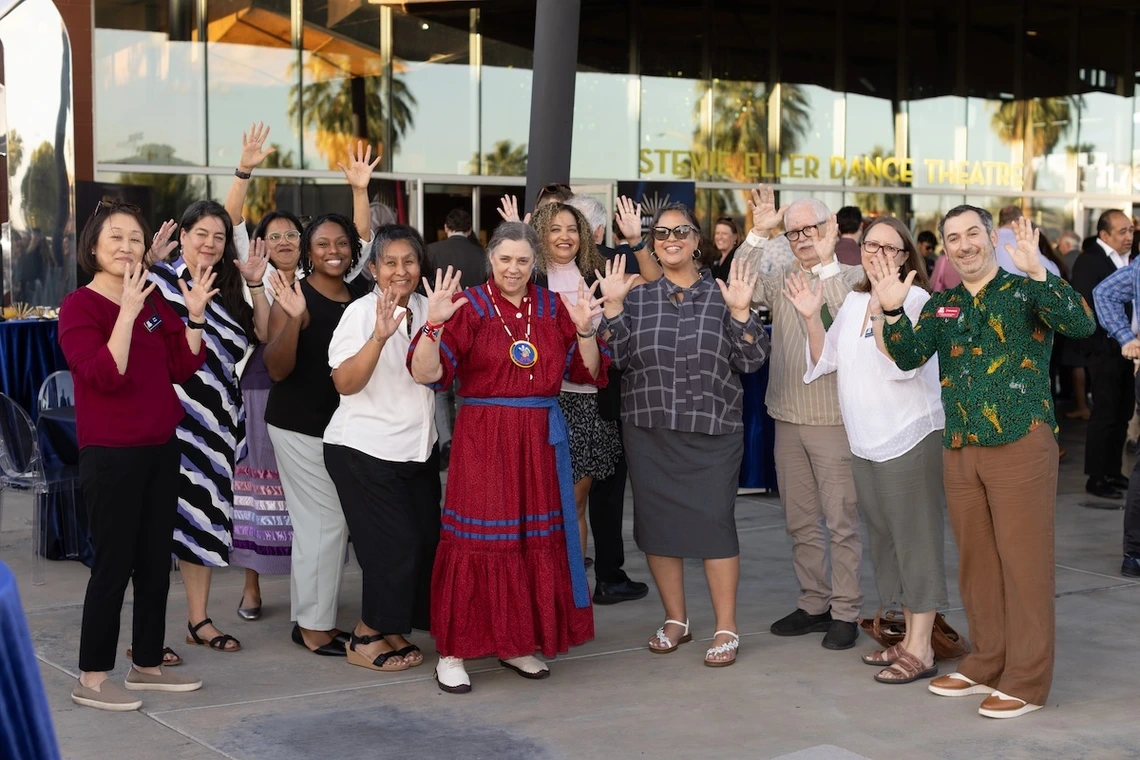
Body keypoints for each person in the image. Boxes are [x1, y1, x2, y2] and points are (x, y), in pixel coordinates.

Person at [879, 208, 1094, 719]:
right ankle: (988, 660)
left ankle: (1027, 679)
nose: (963, 244)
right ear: (946, 248)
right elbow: (909, 356)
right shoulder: (944, 303)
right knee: (977, 565)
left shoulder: (1027, 290)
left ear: (990, 239)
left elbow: (1081, 324)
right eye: (953, 237)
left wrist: (1039, 272)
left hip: (1020, 442)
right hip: (961, 447)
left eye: (972, 233)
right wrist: (891, 312)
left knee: (1024, 566)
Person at [408, 223, 606, 694]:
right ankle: (453, 652)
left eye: (522, 260)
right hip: (484, 440)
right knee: (477, 541)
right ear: (490, 261)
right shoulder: (468, 306)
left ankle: (515, 642)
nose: (513, 268)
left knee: (525, 541)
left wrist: (584, 331)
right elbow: (427, 372)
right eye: (504, 259)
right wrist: (433, 323)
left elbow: (590, 370)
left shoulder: (553, 306)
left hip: (539, 439)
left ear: (532, 264)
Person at [597, 204, 769, 667]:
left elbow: (751, 362)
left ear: (697, 241)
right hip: (649, 429)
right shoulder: (636, 297)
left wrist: (739, 314)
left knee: (714, 526)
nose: (671, 238)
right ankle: (677, 620)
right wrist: (611, 310)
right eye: (661, 233)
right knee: (658, 529)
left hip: (713, 431)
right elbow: (616, 361)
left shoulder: (723, 292)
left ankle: (726, 627)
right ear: (652, 243)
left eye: (682, 231)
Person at [786, 216, 947, 685]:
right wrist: (812, 317)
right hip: (866, 442)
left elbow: (902, 366)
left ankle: (922, 648)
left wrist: (885, 312)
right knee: (887, 542)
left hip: (908, 438)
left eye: (889, 247)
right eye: (871, 244)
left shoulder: (917, 301)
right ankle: (907, 635)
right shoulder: (854, 300)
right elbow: (827, 360)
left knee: (915, 541)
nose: (878, 252)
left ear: (904, 257)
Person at [61, 202, 209, 711]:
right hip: (111, 453)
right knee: (112, 565)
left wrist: (192, 315)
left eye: (134, 238)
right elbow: (106, 374)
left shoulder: (148, 298)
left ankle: (146, 664)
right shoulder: (80, 306)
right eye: (115, 238)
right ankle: (93, 676)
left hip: (160, 447)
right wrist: (125, 312)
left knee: (152, 564)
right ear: (94, 247)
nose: (126, 246)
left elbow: (184, 364)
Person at [734, 185, 865, 651]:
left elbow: (837, 315)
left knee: (841, 522)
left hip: (833, 421)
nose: (801, 238)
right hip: (786, 417)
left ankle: (846, 610)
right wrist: (758, 232)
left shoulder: (854, 276)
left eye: (810, 228)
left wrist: (826, 263)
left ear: (830, 228)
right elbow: (738, 283)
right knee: (800, 521)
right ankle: (814, 603)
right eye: (793, 233)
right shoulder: (784, 274)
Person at [149, 199, 269, 655]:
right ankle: (149, 635)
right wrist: (147, 261)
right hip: (166, 416)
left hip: (215, 423)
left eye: (219, 236)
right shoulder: (160, 280)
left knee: (201, 519)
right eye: (201, 233)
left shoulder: (231, 288)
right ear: (182, 236)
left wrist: (256, 284)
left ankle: (198, 621)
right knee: (157, 528)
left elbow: (262, 333)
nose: (211, 243)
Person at [325, 225, 440, 673]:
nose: (400, 270)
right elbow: (345, 383)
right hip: (363, 449)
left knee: (424, 542)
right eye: (389, 262)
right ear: (372, 268)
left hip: (416, 449)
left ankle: (394, 626)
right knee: (393, 545)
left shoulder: (432, 309)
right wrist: (378, 336)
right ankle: (366, 634)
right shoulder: (359, 313)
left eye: (408, 261)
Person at [264, 213, 366, 656]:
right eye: (322, 244)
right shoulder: (295, 295)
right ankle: (313, 626)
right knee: (324, 522)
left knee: (321, 525)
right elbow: (277, 368)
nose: (333, 251)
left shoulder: (360, 293)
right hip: (299, 424)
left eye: (341, 243)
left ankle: (310, 616)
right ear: (308, 251)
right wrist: (293, 320)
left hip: (342, 429)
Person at [566, 193, 654, 604]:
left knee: (576, 497)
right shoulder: (613, 264)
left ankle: (579, 580)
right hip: (606, 394)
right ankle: (605, 576)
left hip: (586, 393)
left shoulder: (561, 268)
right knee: (601, 493)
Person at [531, 202, 619, 571]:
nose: (564, 236)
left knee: (575, 503)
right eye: (554, 229)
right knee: (539, 504)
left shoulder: (597, 274)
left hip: (587, 404)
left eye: (571, 228)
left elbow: (614, 337)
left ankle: (572, 593)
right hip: (540, 404)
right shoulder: (528, 277)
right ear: (539, 234)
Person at [1071, 210, 1136, 499]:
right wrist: (1101, 346)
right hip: (1104, 350)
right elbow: (1087, 303)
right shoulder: (1090, 260)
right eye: (1122, 231)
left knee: (1122, 412)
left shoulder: (1128, 260)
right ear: (1104, 234)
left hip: (1127, 350)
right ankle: (1096, 477)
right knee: (1104, 413)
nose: (1128, 236)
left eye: (1131, 230)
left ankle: (1113, 470)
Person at [428, 209, 485, 291]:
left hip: (441, 302)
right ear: (469, 231)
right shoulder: (483, 253)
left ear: (446, 228)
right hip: (474, 302)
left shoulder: (430, 250)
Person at [994, 206, 1059, 277]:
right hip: (1019, 286)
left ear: (999, 223)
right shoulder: (1025, 241)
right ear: (1020, 221)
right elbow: (1051, 273)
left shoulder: (989, 239)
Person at [710, 217, 742, 281]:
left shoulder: (737, 259)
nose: (720, 237)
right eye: (717, 233)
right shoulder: (716, 259)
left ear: (735, 237)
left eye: (724, 233)